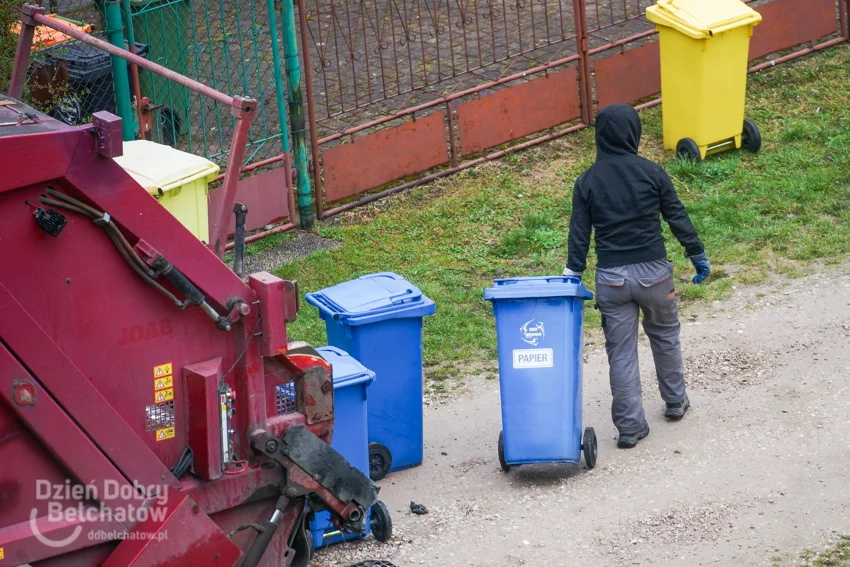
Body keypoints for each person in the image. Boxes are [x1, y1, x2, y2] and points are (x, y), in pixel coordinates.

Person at [563, 104, 710, 449]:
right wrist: (697, 254)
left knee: (621, 353)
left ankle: (630, 427)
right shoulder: (652, 172)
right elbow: (676, 216)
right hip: (654, 275)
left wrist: (571, 274)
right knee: (665, 336)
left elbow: (579, 235)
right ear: (634, 133)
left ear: (600, 136)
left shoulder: (587, 181)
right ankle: (675, 402)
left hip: (611, 279)